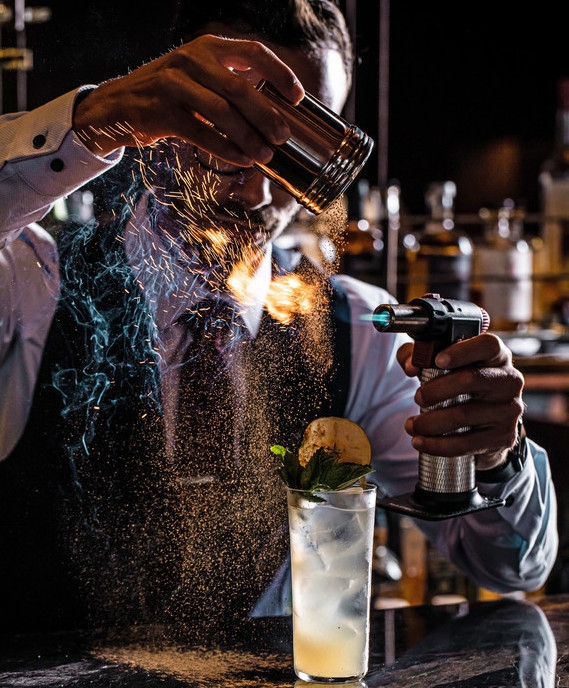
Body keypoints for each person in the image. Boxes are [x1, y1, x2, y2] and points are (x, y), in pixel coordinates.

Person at [0, 0, 558, 635]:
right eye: (231, 129)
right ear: (169, 109)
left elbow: (511, 568)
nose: (259, 189)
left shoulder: (360, 330)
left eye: (296, 148)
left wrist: (494, 458)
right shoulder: (31, 280)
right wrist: (92, 122)